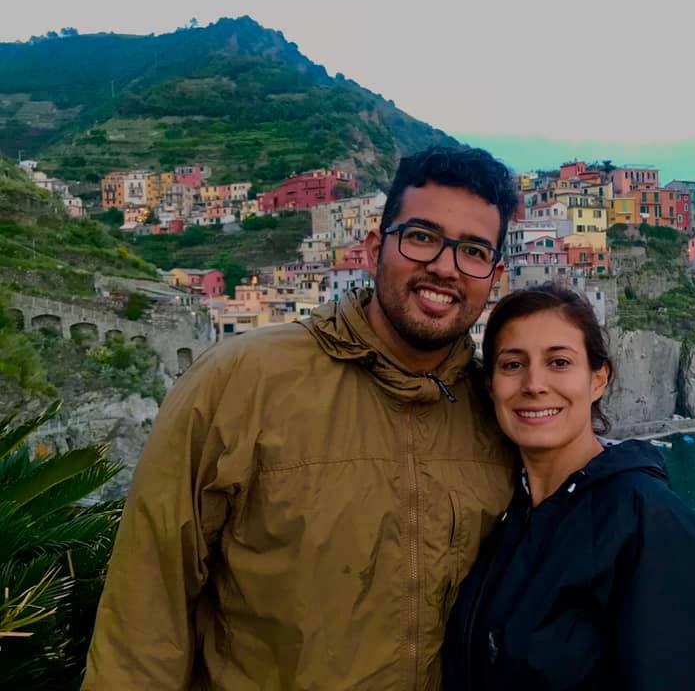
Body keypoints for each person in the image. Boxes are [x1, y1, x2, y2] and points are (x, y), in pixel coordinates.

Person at [83, 146, 519, 690]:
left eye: (473, 251)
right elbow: (144, 615)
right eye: (422, 236)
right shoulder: (240, 382)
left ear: (494, 275)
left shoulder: (500, 413)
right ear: (373, 246)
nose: (444, 267)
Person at [443, 285, 695, 690]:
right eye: (512, 365)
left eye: (559, 362)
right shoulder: (505, 516)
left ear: (598, 379)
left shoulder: (653, 526)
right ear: (491, 386)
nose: (534, 383)